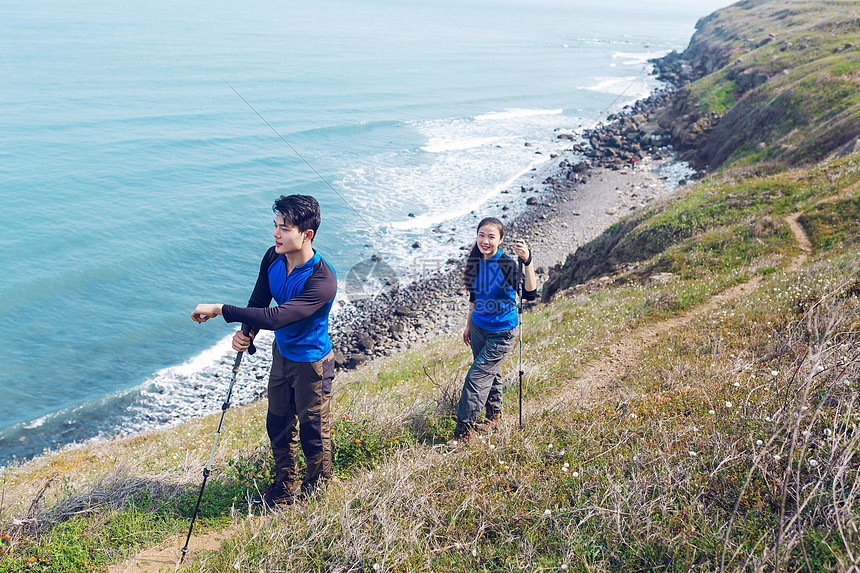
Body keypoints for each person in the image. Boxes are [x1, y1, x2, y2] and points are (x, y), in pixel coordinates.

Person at [191, 194, 337, 507]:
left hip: (312, 364)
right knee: (278, 424)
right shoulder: (273, 258)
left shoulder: (322, 279)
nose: (276, 234)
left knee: (313, 433)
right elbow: (259, 302)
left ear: (306, 234)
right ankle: (284, 490)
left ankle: (318, 497)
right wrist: (247, 333)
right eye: (275, 226)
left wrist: (221, 309)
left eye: (284, 229)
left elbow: (279, 317)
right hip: (282, 357)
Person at [452, 217, 537, 443]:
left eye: (491, 236)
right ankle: (494, 416)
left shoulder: (507, 264)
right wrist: (469, 325)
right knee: (492, 373)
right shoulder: (475, 260)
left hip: (502, 331)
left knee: (476, 377)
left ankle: (464, 432)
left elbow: (530, 294)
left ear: (501, 239)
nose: (485, 241)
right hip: (479, 327)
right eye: (482, 235)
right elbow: (474, 295)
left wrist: (527, 261)